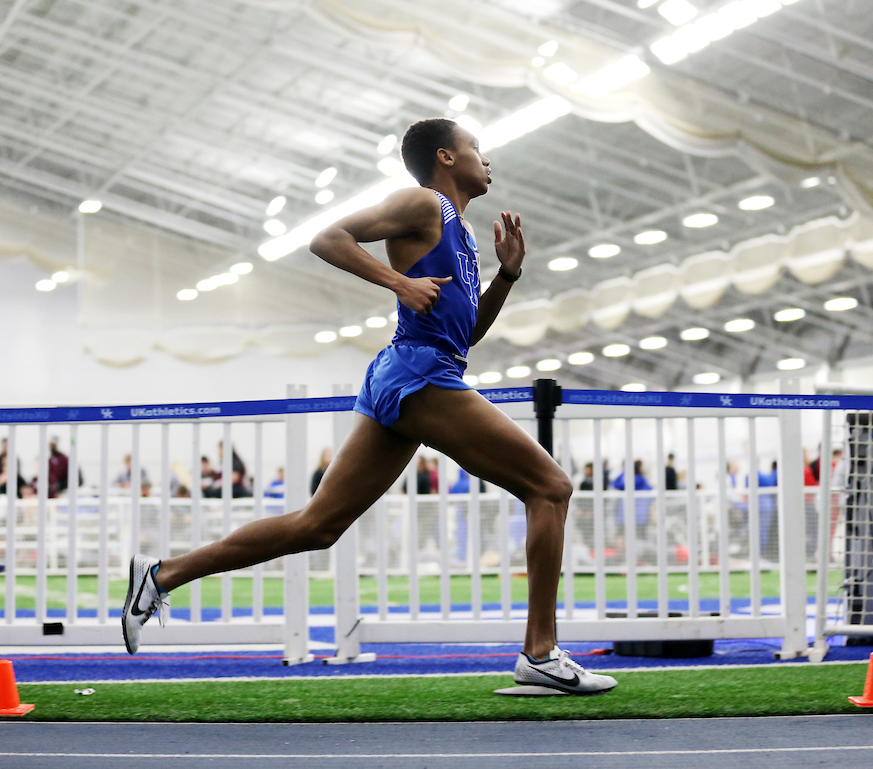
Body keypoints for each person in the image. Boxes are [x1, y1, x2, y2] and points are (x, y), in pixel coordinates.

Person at [122, 118, 615, 695]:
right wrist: (397, 283)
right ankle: (540, 653)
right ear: (445, 157)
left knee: (319, 525)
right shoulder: (422, 203)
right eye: (476, 149)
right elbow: (327, 237)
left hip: (415, 372)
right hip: (418, 373)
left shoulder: (461, 233)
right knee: (550, 487)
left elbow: (467, 334)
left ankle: (162, 575)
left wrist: (507, 274)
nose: (487, 160)